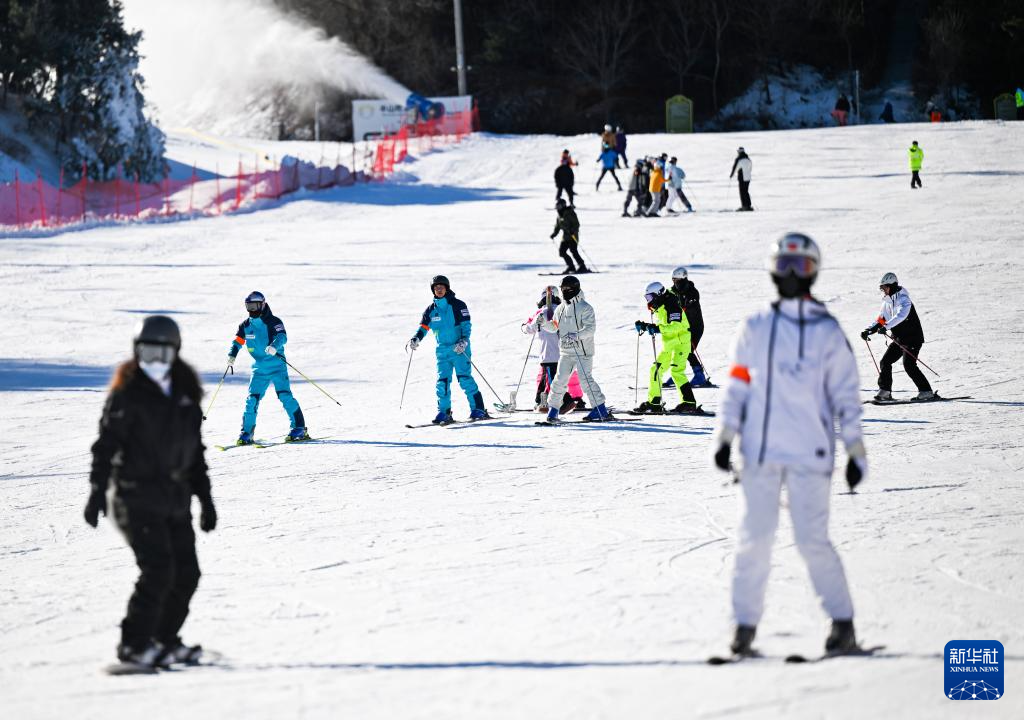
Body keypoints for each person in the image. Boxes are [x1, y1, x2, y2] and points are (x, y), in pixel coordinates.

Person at [713, 232, 866, 658]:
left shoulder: (827, 331)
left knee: (811, 539)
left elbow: (845, 397)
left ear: (815, 272)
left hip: (810, 454)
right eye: (785, 267)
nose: (793, 276)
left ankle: (842, 625)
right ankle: (743, 630)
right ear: (772, 270)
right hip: (759, 453)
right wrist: (725, 436)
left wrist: (855, 451)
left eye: (802, 268)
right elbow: (737, 384)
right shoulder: (756, 326)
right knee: (754, 539)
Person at [86, 315, 217, 669]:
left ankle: (162, 640)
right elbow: (106, 445)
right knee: (158, 569)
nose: (154, 363)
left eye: (162, 354)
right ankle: (133, 645)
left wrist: (205, 499)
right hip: (135, 496)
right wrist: (97, 490)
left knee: (187, 573)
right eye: (147, 354)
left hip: (174, 498)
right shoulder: (128, 395)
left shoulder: (186, 396)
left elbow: (196, 452)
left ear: (175, 353)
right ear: (136, 352)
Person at [227, 291, 308, 445]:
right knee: (252, 400)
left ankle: (299, 427)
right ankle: (246, 432)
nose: (252, 310)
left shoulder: (273, 321)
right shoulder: (246, 325)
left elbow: (282, 336)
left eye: (255, 306)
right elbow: (238, 340)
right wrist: (232, 354)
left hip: (277, 365)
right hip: (259, 369)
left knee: (284, 396)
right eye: (249, 306)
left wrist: (274, 346)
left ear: (263, 304)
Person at [407, 275, 489, 424]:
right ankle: (444, 412)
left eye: (441, 287)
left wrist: (464, 341)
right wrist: (416, 338)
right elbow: (423, 328)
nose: (439, 290)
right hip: (442, 351)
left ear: (447, 288)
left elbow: (466, 325)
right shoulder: (431, 310)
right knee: (442, 382)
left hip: (459, 349)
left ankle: (478, 409)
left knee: (464, 379)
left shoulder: (458, 305)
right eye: (436, 288)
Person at [538, 275, 611, 422]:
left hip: (583, 351)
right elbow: (555, 326)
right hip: (566, 351)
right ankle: (553, 411)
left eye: (567, 289)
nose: (565, 292)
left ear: (575, 289)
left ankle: (600, 409)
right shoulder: (561, 308)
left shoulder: (585, 308)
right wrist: (545, 323)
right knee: (559, 381)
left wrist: (576, 335)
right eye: (562, 289)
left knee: (585, 380)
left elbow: (590, 329)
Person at [860, 272, 934, 401]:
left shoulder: (904, 300)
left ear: (892, 286)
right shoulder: (887, 302)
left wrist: (886, 327)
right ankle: (885, 391)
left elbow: (900, 316)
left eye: (885, 287)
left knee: (909, 365)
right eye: (882, 288)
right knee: (885, 362)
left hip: (912, 338)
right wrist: (869, 330)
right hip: (899, 338)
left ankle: (926, 391)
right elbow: (881, 319)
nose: (883, 290)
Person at [633, 282, 705, 415]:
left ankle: (689, 403)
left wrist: (657, 329)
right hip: (669, 344)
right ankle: (654, 402)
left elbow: (676, 326)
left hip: (681, 343)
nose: (649, 301)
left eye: (650, 297)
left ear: (659, 294)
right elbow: (665, 326)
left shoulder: (672, 305)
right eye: (647, 298)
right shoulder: (661, 305)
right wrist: (645, 326)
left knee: (677, 371)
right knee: (656, 369)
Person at [522, 286, 586, 412]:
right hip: (565, 353)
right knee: (558, 379)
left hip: (549, 355)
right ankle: (549, 401)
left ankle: (567, 401)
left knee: (552, 382)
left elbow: (530, 329)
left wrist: (523, 327)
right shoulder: (563, 311)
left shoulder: (541, 313)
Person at [670, 267, 708, 385]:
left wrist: (686, 304)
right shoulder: (674, 291)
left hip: (695, 327)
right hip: (684, 328)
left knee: (688, 351)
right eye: (673, 280)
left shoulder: (692, 292)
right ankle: (677, 375)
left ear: (682, 279)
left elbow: (691, 302)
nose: (674, 283)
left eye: (676, 280)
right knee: (678, 350)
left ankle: (699, 376)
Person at [550, 199, 588, 273]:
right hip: (565, 237)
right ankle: (571, 267)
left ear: (563, 205)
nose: (557, 208)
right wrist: (554, 234)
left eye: (559, 206)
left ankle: (582, 266)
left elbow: (576, 224)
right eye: (557, 206)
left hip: (573, 236)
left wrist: (572, 230)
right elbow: (558, 226)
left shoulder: (570, 213)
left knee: (573, 251)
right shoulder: (559, 215)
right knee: (562, 252)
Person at [730, 147, 753, 211]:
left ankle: (744, 206)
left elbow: (735, 168)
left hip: (742, 178)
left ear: (739, 152)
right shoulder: (748, 159)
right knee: (746, 191)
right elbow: (750, 167)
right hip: (748, 177)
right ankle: (748, 205)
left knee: (742, 192)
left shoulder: (739, 159)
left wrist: (731, 175)